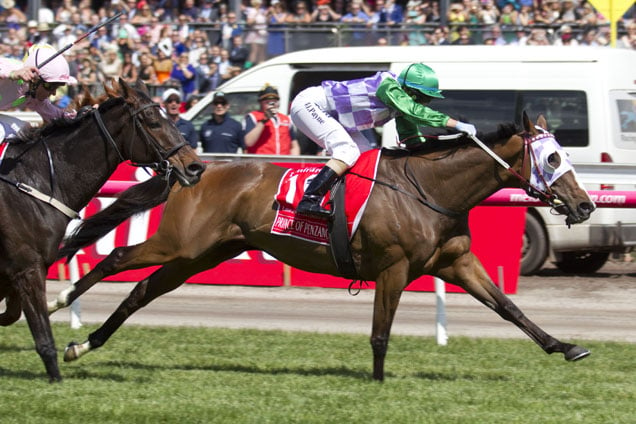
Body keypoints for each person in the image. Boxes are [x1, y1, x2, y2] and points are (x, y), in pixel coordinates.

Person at [289, 63, 476, 218]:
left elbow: (410, 138)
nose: (425, 102)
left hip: (335, 115)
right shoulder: (389, 87)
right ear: (412, 92)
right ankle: (309, 199)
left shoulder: (403, 101)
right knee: (346, 151)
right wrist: (454, 124)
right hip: (309, 105)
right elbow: (413, 111)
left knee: (366, 157)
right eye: (424, 98)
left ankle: (344, 202)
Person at [0, 44, 77, 141]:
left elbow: (56, 115)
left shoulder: (33, 95)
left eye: (56, 87)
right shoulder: (13, 67)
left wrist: (82, 116)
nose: (53, 93)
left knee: (25, 129)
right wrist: (12, 74)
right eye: (50, 86)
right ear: (35, 80)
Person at [244, 84, 300, 155]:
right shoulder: (253, 117)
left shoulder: (285, 119)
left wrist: (294, 161)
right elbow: (249, 142)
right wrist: (263, 121)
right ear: (260, 103)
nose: (272, 105)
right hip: (262, 162)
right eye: (267, 102)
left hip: (283, 161)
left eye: (274, 102)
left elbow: (294, 145)